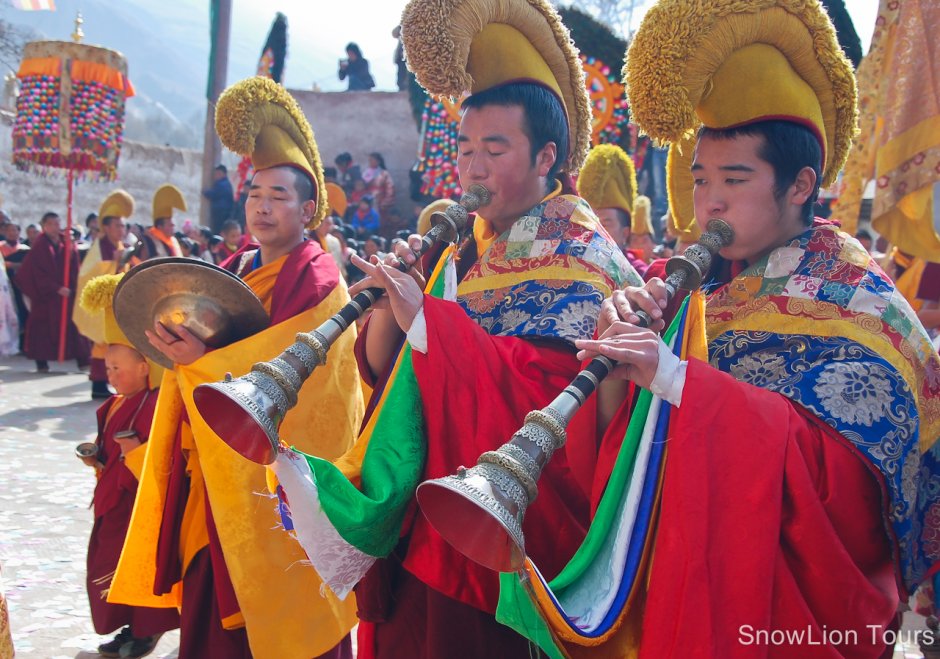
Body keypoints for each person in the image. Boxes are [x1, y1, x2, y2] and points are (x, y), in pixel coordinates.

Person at [522, 0, 940, 656]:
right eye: (700, 180)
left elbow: (850, 502)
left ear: (802, 184)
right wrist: (616, 366)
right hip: (675, 589)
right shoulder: (690, 288)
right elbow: (622, 466)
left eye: (734, 179)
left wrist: (683, 385)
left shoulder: (862, 304)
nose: (707, 201)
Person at [271, 1, 641, 656]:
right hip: (420, 524)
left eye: (494, 149)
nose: (471, 167)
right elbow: (391, 383)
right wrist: (387, 311)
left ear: (547, 156)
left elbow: (560, 403)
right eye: (465, 148)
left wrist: (429, 324)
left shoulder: (580, 252)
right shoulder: (463, 250)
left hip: (490, 544)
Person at [108, 76, 364, 659]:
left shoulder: (319, 279)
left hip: (275, 484)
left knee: (285, 622)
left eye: (278, 194)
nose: (263, 206)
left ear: (308, 208)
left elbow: (310, 379)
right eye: (254, 193)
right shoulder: (235, 267)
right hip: (215, 474)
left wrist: (205, 364)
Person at [77, 274, 178, 659]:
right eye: (107, 368)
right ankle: (126, 626)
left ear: (143, 365)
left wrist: (134, 450)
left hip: (141, 508)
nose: (110, 376)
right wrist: (96, 458)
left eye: (118, 368)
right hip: (114, 502)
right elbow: (108, 450)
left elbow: (166, 461)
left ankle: (146, 631)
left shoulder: (155, 404)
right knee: (111, 565)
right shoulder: (114, 404)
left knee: (140, 565)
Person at [74, 191, 138, 399]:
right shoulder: (99, 247)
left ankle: (107, 383)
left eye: (123, 226)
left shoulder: (118, 246)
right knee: (101, 343)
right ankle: (99, 383)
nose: (121, 230)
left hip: (115, 301)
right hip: (102, 303)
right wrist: (116, 263)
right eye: (118, 226)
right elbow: (89, 275)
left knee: (111, 342)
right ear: (107, 227)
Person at [14, 212, 89, 372]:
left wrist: (71, 250)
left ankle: (82, 360)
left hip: (65, 294)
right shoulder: (40, 245)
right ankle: (41, 361)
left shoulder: (65, 242)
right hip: (46, 297)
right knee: (41, 327)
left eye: (58, 223)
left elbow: (72, 266)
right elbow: (36, 272)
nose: (56, 227)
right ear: (44, 226)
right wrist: (55, 288)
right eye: (52, 224)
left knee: (72, 324)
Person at [577, 143, 650, 275]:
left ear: (625, 234)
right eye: (591, 223)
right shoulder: (573, 268)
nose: (596, 232)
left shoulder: (641, 275)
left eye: (605, 224)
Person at [141, 185, 185, 259]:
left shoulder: (172, 241)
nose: (173, 227)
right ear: (160, 226)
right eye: (170, 225)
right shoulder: (148, 241)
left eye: (173, 225)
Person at [202, 165, 235, 233]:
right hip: (222, 211)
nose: (216, 176)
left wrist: (205, 191)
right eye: (216, 174)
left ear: (223, 174)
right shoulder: (223, 183)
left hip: (221, 212)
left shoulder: (223, 184)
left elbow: (214, 194)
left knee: (217, 230)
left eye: (218, 174)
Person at [362, 152, 396, 218]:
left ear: (378, 161)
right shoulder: (366, 173)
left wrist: (386, 202)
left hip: (380, 201)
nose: (370, 162)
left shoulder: (384, 173)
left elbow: (390, 187)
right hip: (367, 201)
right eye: (369, 160)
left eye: (371, 160)